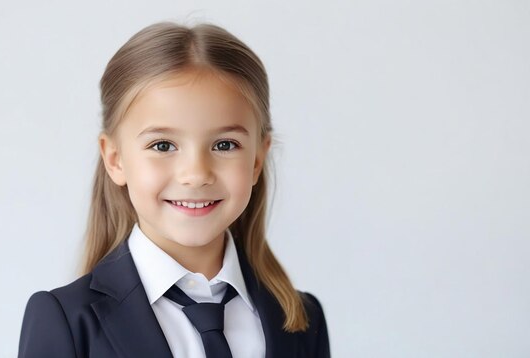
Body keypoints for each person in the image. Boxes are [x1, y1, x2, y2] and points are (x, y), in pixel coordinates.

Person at [18, 21, 330, 358]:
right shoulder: (67, 320)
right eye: (163, 145)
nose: (196, 175)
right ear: (115, 158)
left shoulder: (301, 320)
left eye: (225, 145)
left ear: (257, 159)